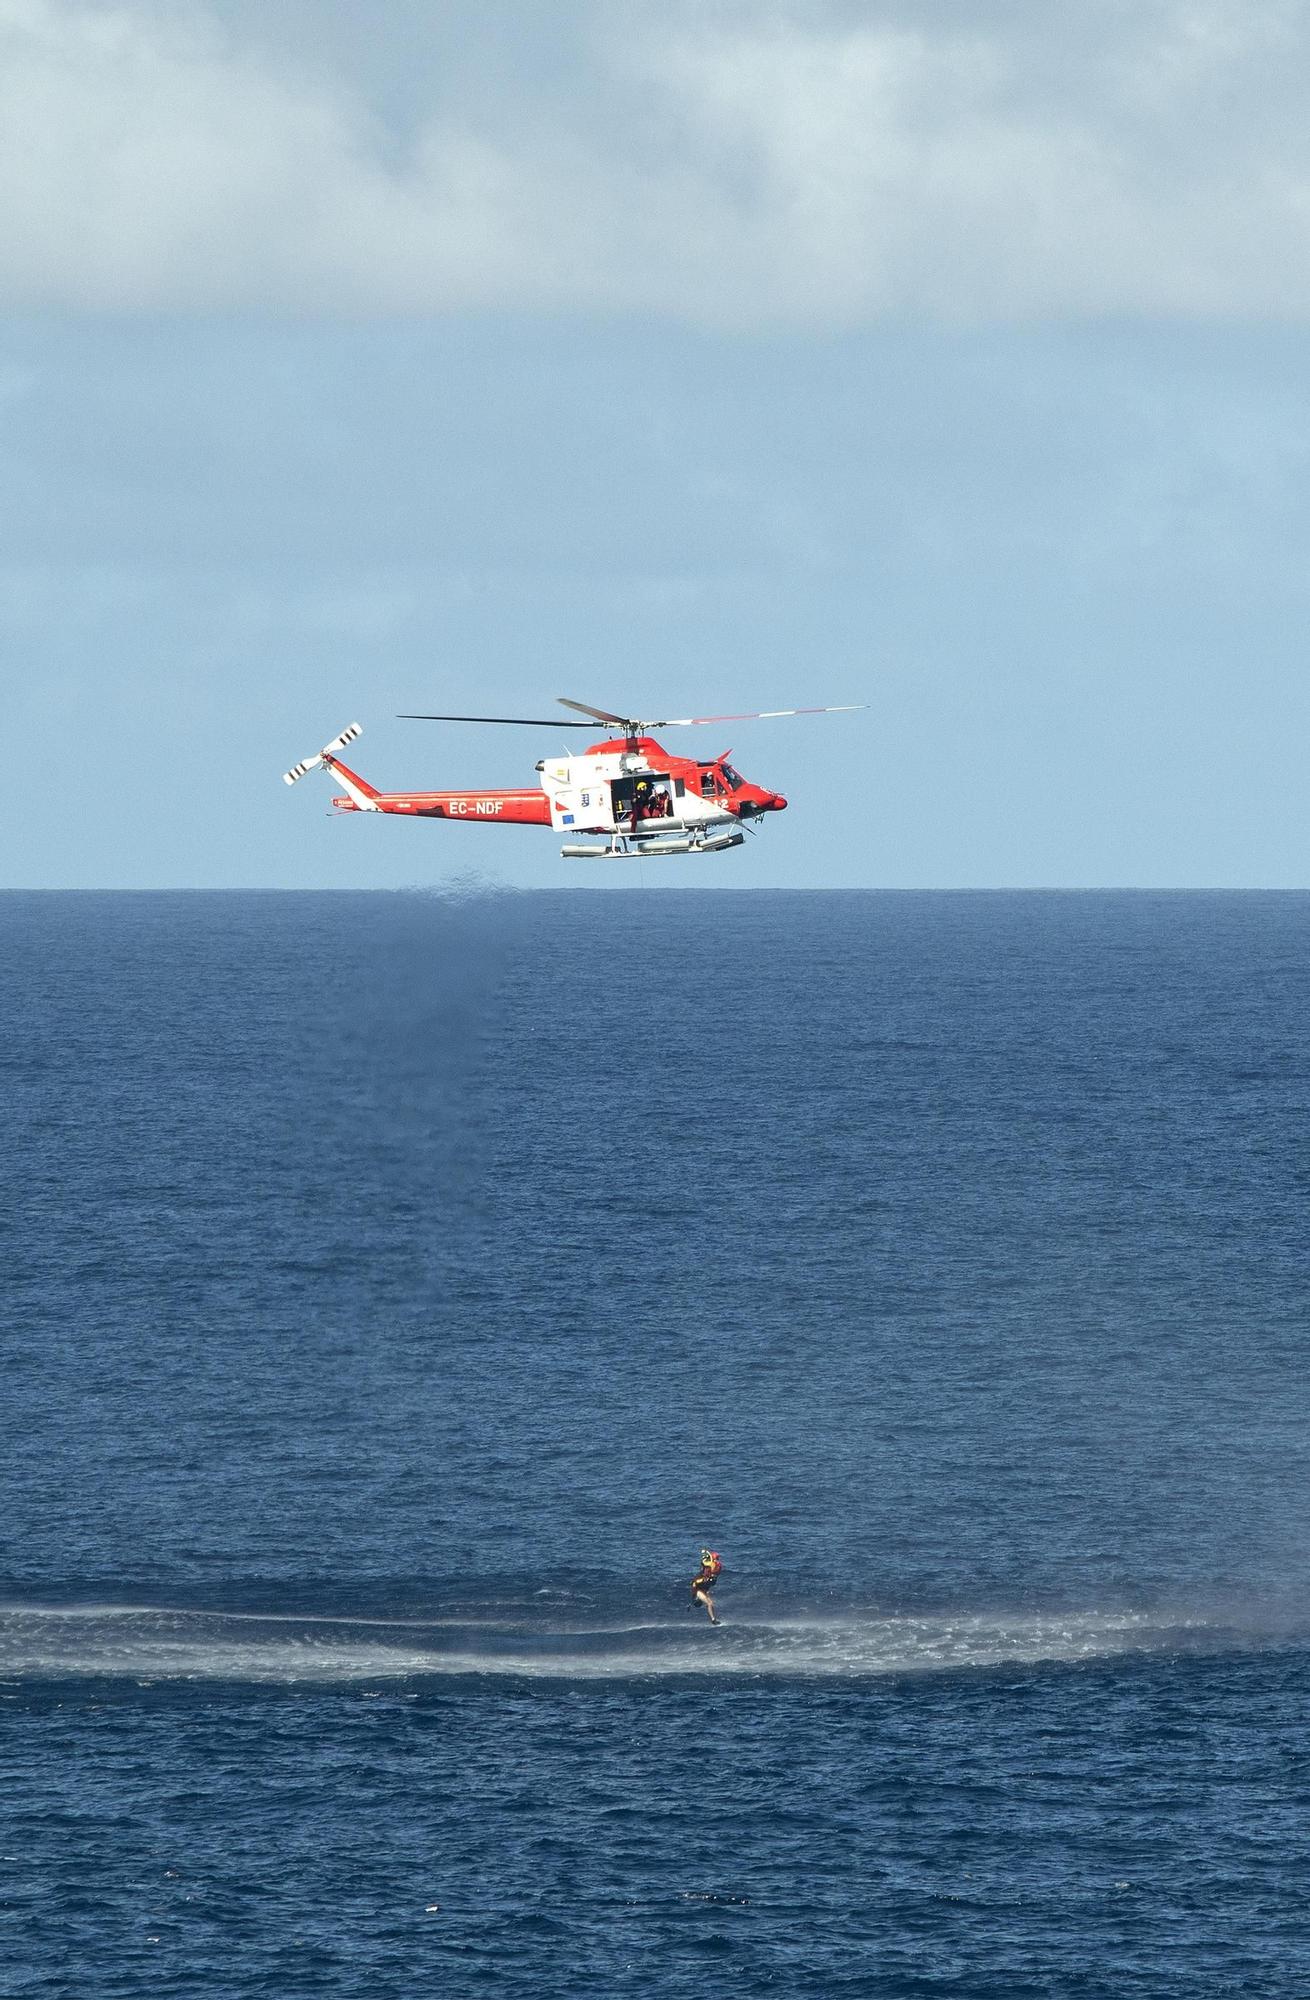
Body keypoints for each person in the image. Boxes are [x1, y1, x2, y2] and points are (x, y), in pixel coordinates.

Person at [690, 1547, 722, 1624]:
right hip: (697, 1589)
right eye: (716, 1559)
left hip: (704, 1589)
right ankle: (713, 1620)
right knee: (709, 1603)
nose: (717, 1561)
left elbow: (709, 1583)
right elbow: (695, 1583)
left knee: (711, 1603)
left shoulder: (713, 1570)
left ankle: (714, 1619)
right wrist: (694, 1595)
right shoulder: (705, 1569)